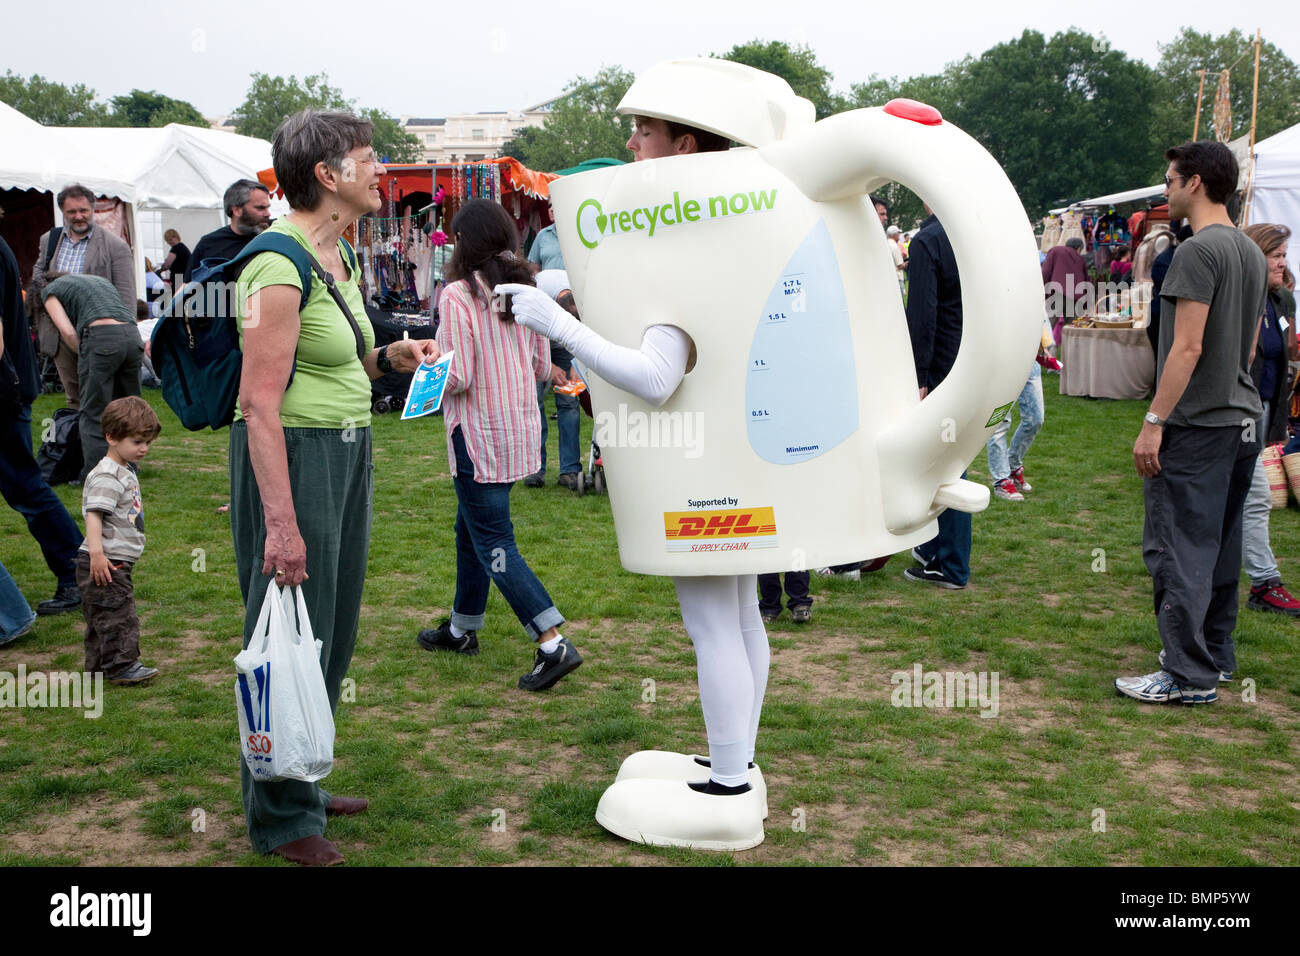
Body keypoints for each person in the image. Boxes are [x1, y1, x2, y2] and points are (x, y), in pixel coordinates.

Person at [499, 107, 770, 851]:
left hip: (701, 468)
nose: (628, 144)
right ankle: (734, 764)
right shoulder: (716, 227)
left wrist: (555, 324)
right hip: (730, 455)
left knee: (715, 621)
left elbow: (656, 374)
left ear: (683, 145)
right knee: (738, 615)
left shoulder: (683, 242)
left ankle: (729, 786)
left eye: (642, 131)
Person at [230, 109, 438, 866]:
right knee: (286, 626)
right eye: (367, 160)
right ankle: (281, 817)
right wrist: (280, 524)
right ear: (327, 176)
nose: (379, 173)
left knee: (331, 627)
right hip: (298, 456)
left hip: (349, 452)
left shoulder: (335, 257)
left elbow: (340, 361)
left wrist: (394, 356)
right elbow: (259, 402)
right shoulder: (275, 263)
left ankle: (303, 780)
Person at [1116, 141, 1268, 705]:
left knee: (1177, 548)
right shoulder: (1251, 252)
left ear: (1196, 183)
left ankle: (1186, 674)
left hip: (1199, 426)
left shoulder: (1197, 252)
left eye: (1170, 180)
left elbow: (1186, 348)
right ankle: (1213, 658)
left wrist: (1155, 420)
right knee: (1220, 546)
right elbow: (1248, 349)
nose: (1165, 190)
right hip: (1240, 420)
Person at [414, 198, 581, 691]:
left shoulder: (458, 296)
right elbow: (536, 365)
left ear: (466, 243)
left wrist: (421, 366)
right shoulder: (522, 288)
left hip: (479, 435)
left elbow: (459, 375)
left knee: (494, 542)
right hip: (517, 429)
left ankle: (551, 642)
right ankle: (463, 628)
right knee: (472, 529)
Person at [0, 235, 83, 616]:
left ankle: (77, 573)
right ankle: (77, 571)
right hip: (11, 387)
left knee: (26, 487)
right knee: (25, 487)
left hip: (5, 392)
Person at [904, 207, 970, 589]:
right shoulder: (969, 233)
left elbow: (922, 315)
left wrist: (919, 375)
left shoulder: (929, 240)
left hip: (942, 362)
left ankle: (951, 563)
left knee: (946, 462)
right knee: (946, 457)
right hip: (969, 355)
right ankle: (934, 549)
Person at [1238, 223, 1300, 616]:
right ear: (1256, 256)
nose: (1284, 262)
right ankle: (1264, 583)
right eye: (1276, 255)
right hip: (1237, 413)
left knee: (1238, 496)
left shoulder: (1278, 302)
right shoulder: (1239, 302)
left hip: (1262, 411)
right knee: (1255, 497)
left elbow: (1285, 355)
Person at [77, 396, 161, 685]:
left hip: (111, 559)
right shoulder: (107, 476)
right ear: (111, 437)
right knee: (119, 615)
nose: (144, 448)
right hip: (106, 560)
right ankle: (123, 667)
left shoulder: (123, 469)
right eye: (137, 441)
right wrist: (98, 555)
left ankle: (99, 667)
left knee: (102, 615)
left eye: (147, 442)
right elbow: (94, 516)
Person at [31, 184, 136, 408]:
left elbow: (126, 298)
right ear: (63, 212)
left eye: (84, 211)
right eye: (72, 212)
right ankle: (81, 441)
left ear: (93, 209)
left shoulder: (115, 246)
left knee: (108, 400)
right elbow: (38, 274)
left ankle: (113, 441)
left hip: (100, 334)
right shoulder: (49, 240)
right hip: (60, 332)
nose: (78, 217)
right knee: (76, 399)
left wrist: (127, 335)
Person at [41, 272, 144, 481]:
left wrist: (86, 353)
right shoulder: (98, 281)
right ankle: (129, 465)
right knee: (128, 408)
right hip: (133, 336)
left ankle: (97, 474)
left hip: (101, 338)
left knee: (94, 413)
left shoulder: (49, 292)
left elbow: (67, 332)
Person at [524, 207, 581, 489]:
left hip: (568, 335)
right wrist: (548, 366)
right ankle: (535, 468)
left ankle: (570, 469)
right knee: (533, 402)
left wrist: (573, 363)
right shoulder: (542, 239)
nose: (552, 210)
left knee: (569, 400)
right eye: (550, 206)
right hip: (539, 333)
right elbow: (531, 273)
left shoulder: (582, 234)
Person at [185, 179, 273, 282]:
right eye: (260, 208)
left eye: (267, 207)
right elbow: (188, 285)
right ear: (237, 210)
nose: (268, 214)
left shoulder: (276, 232)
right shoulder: (209, 244)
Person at [986, 361, 1044, 502]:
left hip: (1030, 361)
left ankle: (1013, 466)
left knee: (1035, 420)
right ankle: (1002, 481)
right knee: (999, 424)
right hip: (1001, 362)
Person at [1042, 237, 1090, 344]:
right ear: (1078, 248)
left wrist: (1043, 294)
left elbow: (1046, 272)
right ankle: (1070, 358)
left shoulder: (1056, 250)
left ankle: (1043, 357)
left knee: (1047, 328)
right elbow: (1086, 281)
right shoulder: (1080, 258)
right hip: (1075, 299)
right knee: (1071, 332)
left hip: (1057, 294)